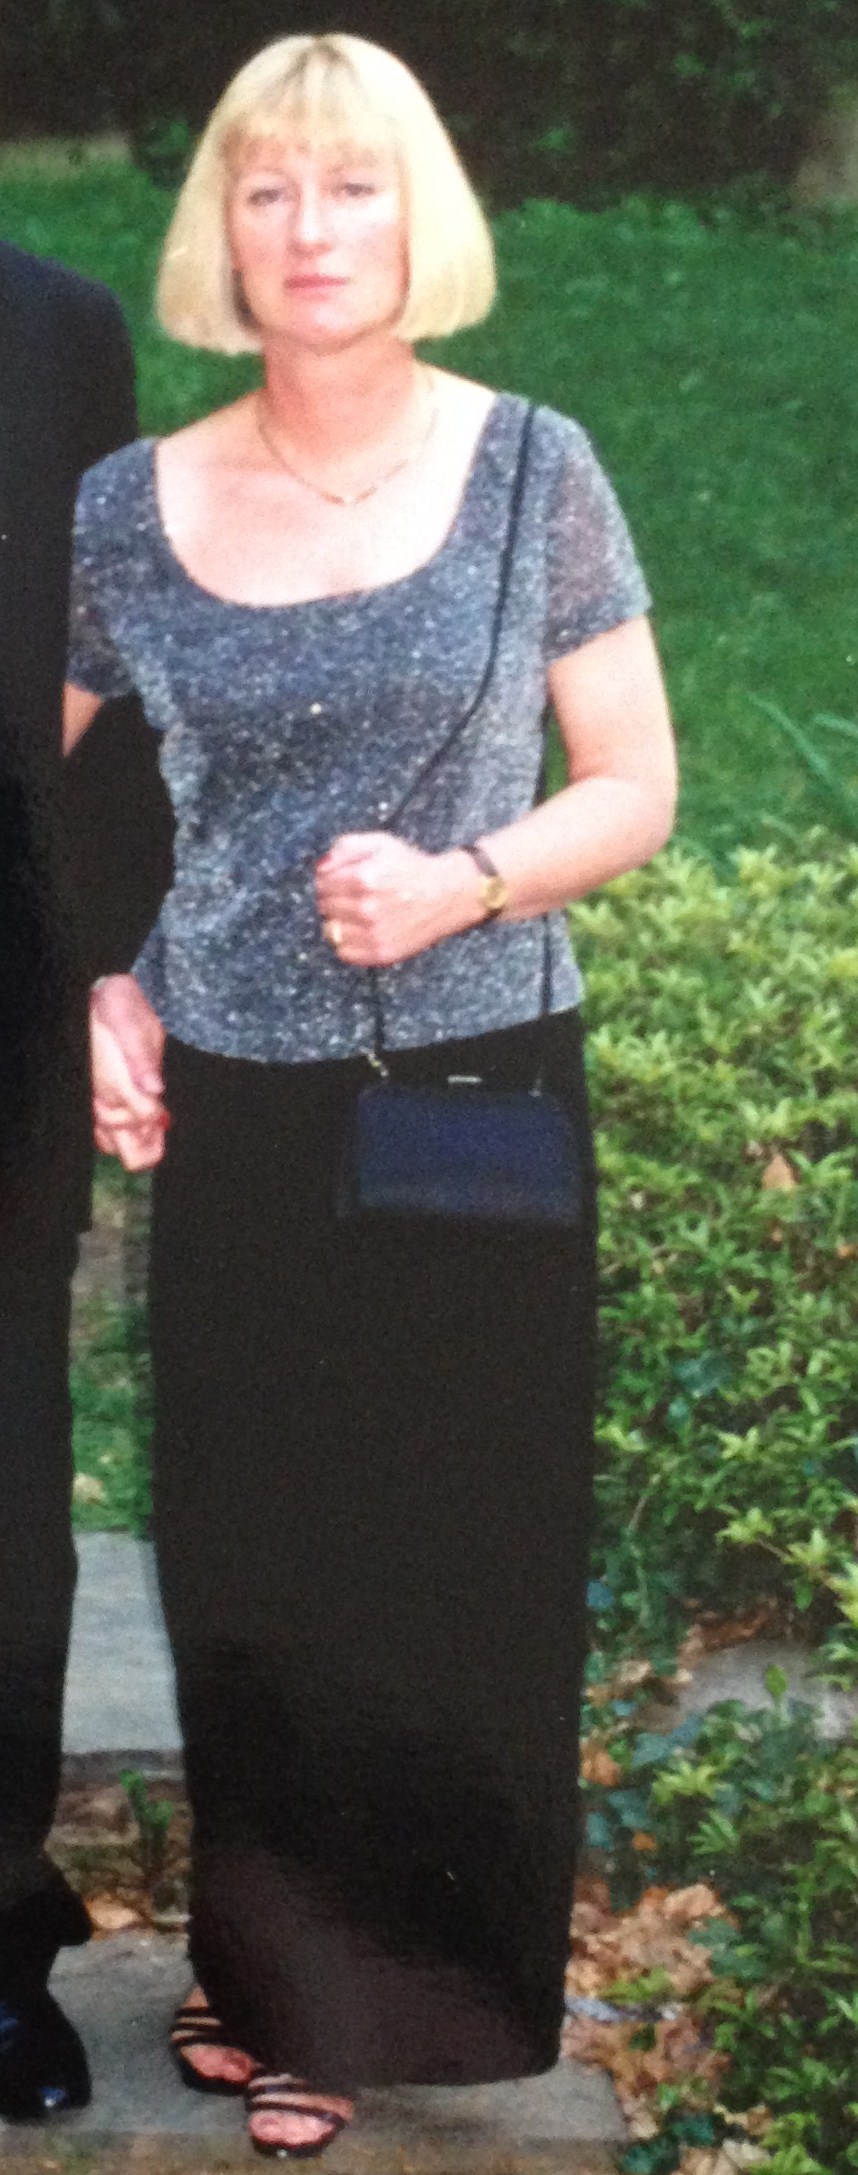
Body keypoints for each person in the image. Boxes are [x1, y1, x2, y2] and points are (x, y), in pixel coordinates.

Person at [66, 33, 677, 2159]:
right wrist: (98, 982)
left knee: (456, 1544)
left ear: (422, 220)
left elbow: (635, 782)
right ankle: (275, 1983)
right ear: (220, 232)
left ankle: (426, 1989)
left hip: (475, 1079)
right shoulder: (126, 509)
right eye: (268, 190)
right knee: (257, 1556)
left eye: (352, 187)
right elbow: (45, 799)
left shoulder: (535, 471)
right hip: (238, 1096)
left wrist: (466, 878)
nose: (309, 229)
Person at [0, 238, 172, 2120]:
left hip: (3, 1004)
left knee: (1, 1500)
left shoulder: (51, 329)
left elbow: (104, 693)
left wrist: (116, 964)